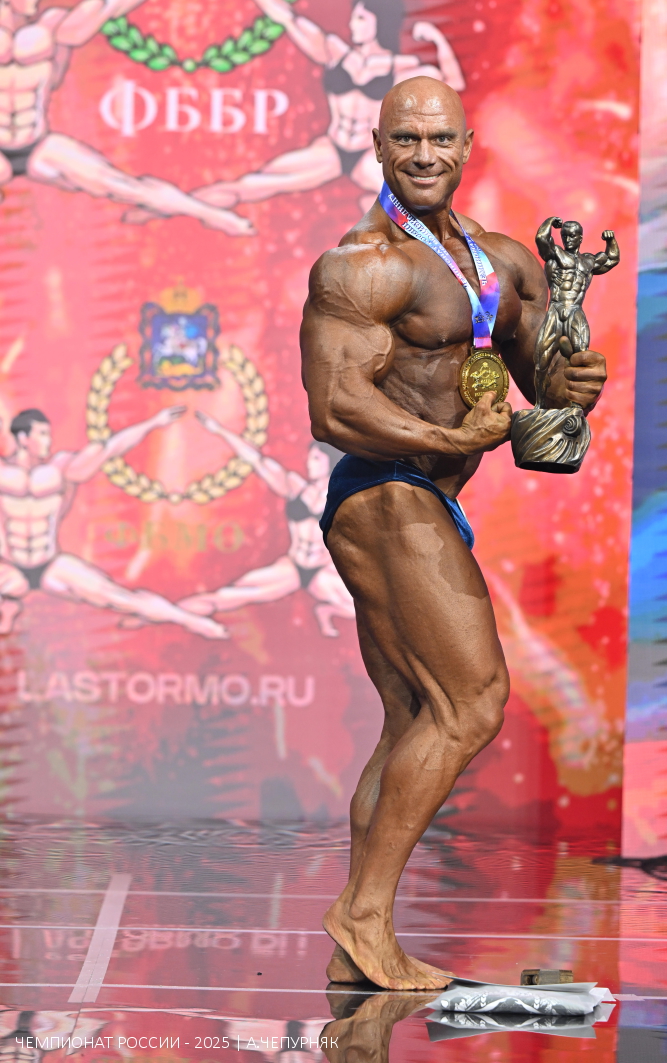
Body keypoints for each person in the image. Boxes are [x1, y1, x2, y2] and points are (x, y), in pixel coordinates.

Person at [300, 76, 609, 989]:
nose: (424, 154)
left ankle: (359, 931)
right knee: (472, 703)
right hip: (382, 490)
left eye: (440, 138)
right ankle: (364, 917)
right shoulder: (362, 266)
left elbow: (545, 387)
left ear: (468, 145)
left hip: (427, 498)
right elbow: (333, 406)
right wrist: (449, 441)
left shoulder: (500, 264)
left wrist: (573, 382)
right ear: (379, 146)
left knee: (413, 717)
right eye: (406, 139)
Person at [0, 0, 252, 236]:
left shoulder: (51, 26)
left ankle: (211, 214)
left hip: (36, 143)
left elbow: (111, 6)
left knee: (118, 184)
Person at [183, 0, 464, 215]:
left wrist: (437, 39)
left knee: (418, 206)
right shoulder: (335, 52)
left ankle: (380, 221)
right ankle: (182, 205)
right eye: (353, 18)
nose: (352, 25)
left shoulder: (401, 68)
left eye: (361, 18)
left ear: (379, 22)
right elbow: (287, 17)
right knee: (254, 184)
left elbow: (454, 84)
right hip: (332, 148)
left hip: (369, 156)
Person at [0, 407, 225, 639]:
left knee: (117, 597)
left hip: (49, 564)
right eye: (42, 434)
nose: (49, 440)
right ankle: (7, 609)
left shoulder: (61, 468)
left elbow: (111, 448)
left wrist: (152, 423)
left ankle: (191, 620)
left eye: (48, 434)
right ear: (23, 438)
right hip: (8, 567)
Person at [178, 414, 355, 637]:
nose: (310, 464)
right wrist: (219, 430)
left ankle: (326, 611)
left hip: (323, 571)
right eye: (310, 458)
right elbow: (256, 460)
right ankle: (171, 614)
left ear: (330, 462)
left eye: (317, 459)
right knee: (226, 597)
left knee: (366, 608)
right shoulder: (295, 487)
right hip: (294, 566)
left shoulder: (343, 496)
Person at [532, 216, 619, 406]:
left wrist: (610, 240)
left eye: (572, 236)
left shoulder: (588, 261)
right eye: (564, 236)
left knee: (581, 357)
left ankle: (576, 406)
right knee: (541, 361)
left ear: (580, 238)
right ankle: (539, 404)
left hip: (575, 311)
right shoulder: (556, 254)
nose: (568, 239)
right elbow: (541, 239)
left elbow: (612, 258)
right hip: (556, 309)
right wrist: (549, 222)